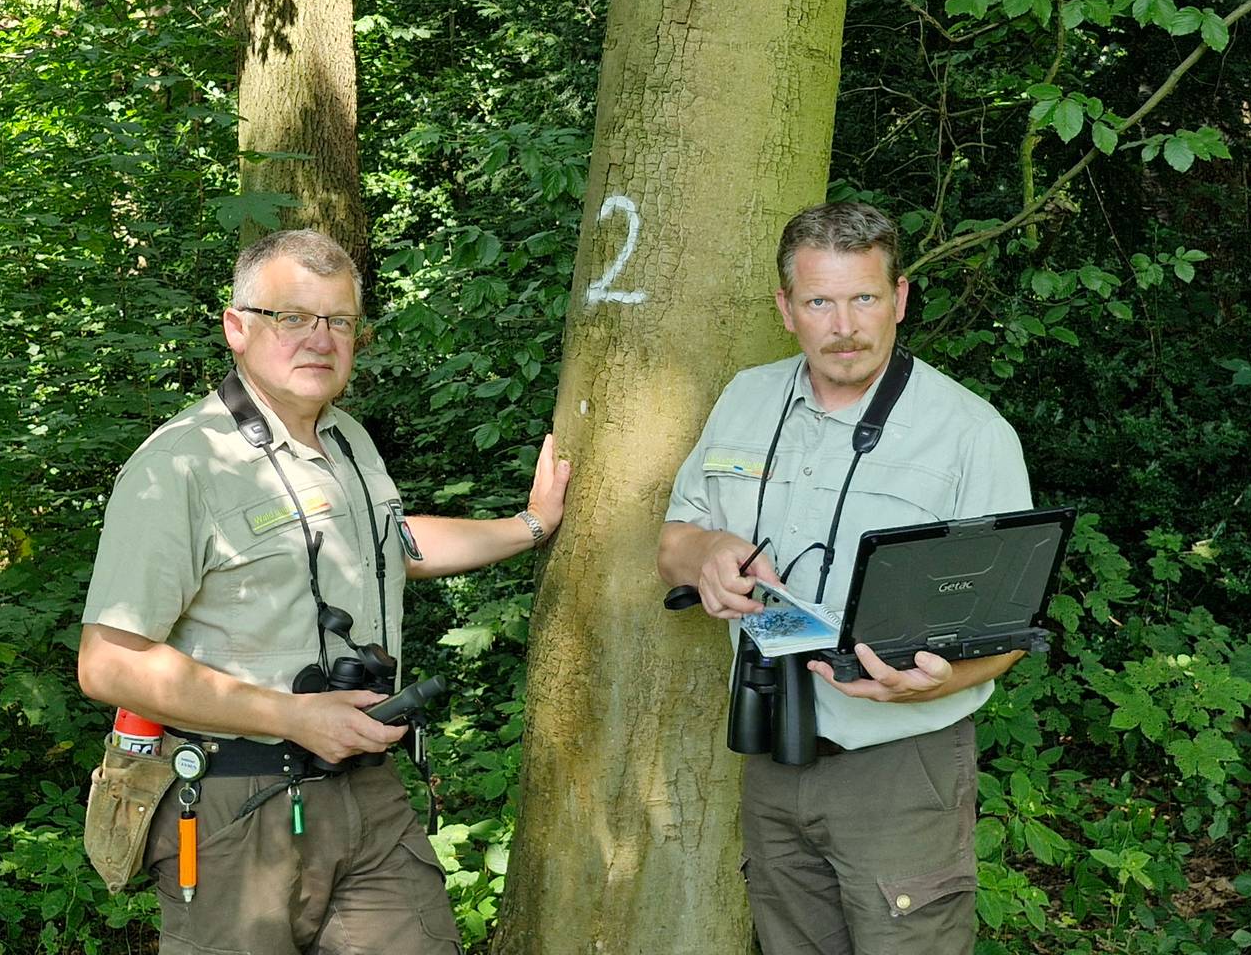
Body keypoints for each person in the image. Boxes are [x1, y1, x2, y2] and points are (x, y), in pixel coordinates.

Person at [77, 228, 571, 955]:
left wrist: (529, 525)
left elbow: (389, 547)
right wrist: (292, 715)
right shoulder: (182, 464)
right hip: (235, 803)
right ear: (237, 327)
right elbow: (109, 663)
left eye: (339, 321)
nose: (320, 338)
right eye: (292, 317)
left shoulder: (346, 439)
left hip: (366, 787)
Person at [654, 201, 1033, 955]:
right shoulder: (745, 398)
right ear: (785, 309)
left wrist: (941, 682)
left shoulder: (971, 433)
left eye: (864, 297)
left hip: (901, 764)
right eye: (820, 302)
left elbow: (1012, 631)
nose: (845, 326)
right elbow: (673, 544)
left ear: (899, 299)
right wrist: (710, 553)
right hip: (771, 747)